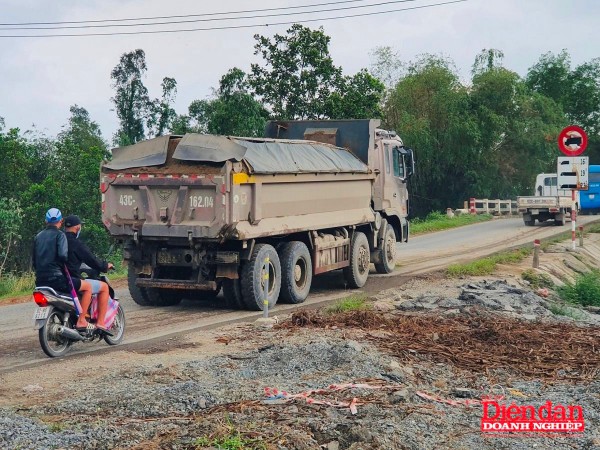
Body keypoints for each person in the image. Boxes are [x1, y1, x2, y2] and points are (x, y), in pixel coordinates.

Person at [33, 208, 97, 332]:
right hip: (57, 279)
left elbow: (34, 261)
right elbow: (63, 256)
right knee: (88, 287)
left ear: (46, 221)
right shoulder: (60, 235)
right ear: (61, 221)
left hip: (40, 281)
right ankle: (82, 320)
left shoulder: (38, 237)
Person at [64, 215, 114, 334]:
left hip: (59, 278)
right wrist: (104, 266)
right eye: (80, 225)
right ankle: (100, 323)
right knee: (104, 287)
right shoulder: (76, 243)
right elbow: (91, 259)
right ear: (77, 227)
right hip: (73, 279)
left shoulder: (58, 241)